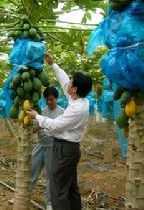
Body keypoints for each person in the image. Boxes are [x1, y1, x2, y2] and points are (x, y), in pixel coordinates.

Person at [27, 53, 92, 210]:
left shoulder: (77, 108)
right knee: (70, 187)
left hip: (65, 149)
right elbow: (64, 83)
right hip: (69, 149)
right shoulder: (77, 98)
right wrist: (53, 64)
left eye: (71, 81)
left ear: (75, 88)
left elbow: (56, 125)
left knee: (58, 189)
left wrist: (37, 116)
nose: (68, 82)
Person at [31, 87, 64, 210]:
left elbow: (61, 130)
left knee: (51, 176)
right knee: (31, 171)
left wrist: (47, 126)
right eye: (47, 100)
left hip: (52, 148)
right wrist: (36, 127)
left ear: (56, 98)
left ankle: (49, 202)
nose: (49, 102)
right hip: (40, 146)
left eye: (51, 99)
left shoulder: (62, 112)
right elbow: (34, 129)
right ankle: (24, 195)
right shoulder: (41, 111)